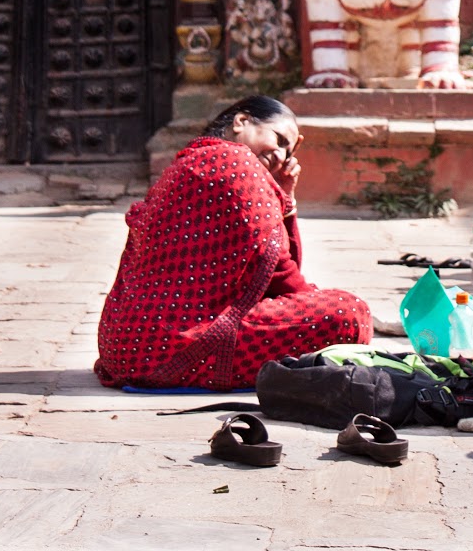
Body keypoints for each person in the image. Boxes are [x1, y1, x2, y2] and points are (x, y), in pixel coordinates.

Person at [96, 96, 371, 390]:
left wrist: (283, 196)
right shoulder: (237, 163)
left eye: (287, 151)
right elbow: (278, 271)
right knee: (348, 312)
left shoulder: (189, 162)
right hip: (170, 346)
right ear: (241, 122)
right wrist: (311, 302)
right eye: (278, 139)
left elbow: (266, 266)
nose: (280, 155)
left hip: (122, 346)